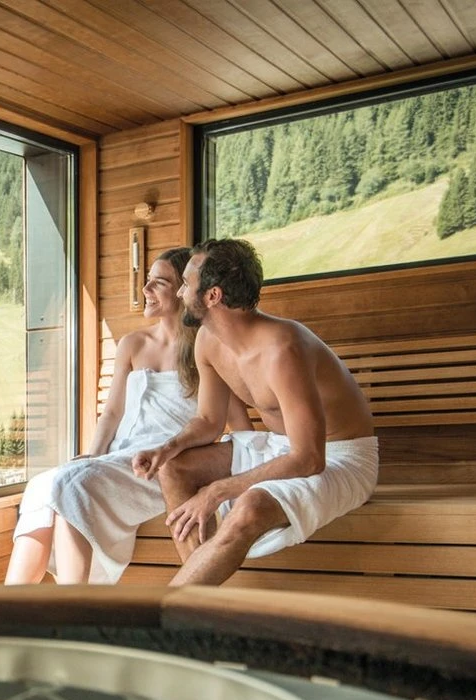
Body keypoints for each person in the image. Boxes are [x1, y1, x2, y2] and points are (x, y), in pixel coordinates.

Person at [131, 238, 377, 586]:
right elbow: (208, 421)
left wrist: (217, 491)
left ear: (212, 295)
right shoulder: (207, 340)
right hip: (278, 445)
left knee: (249, 506)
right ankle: (201, 600)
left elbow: (309, 459)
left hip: (341, 457)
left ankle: (164, 609)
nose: (182, 293)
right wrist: (166, 448)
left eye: (186, 284)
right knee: (173, 469)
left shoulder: (282, 349)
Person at [5, 247, 250, 585]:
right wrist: (93, 454)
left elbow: (240, 428)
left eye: (159, 283)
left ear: (183, 290)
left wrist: (233, 484)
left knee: (69, 485)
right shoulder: (133, 344)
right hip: (119, 457)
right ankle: (8, 607)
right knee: (42, 485)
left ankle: (72, 606)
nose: (146, 289)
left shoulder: (207, 351)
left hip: (161, 467)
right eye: (147, 280)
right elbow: (112, 413)